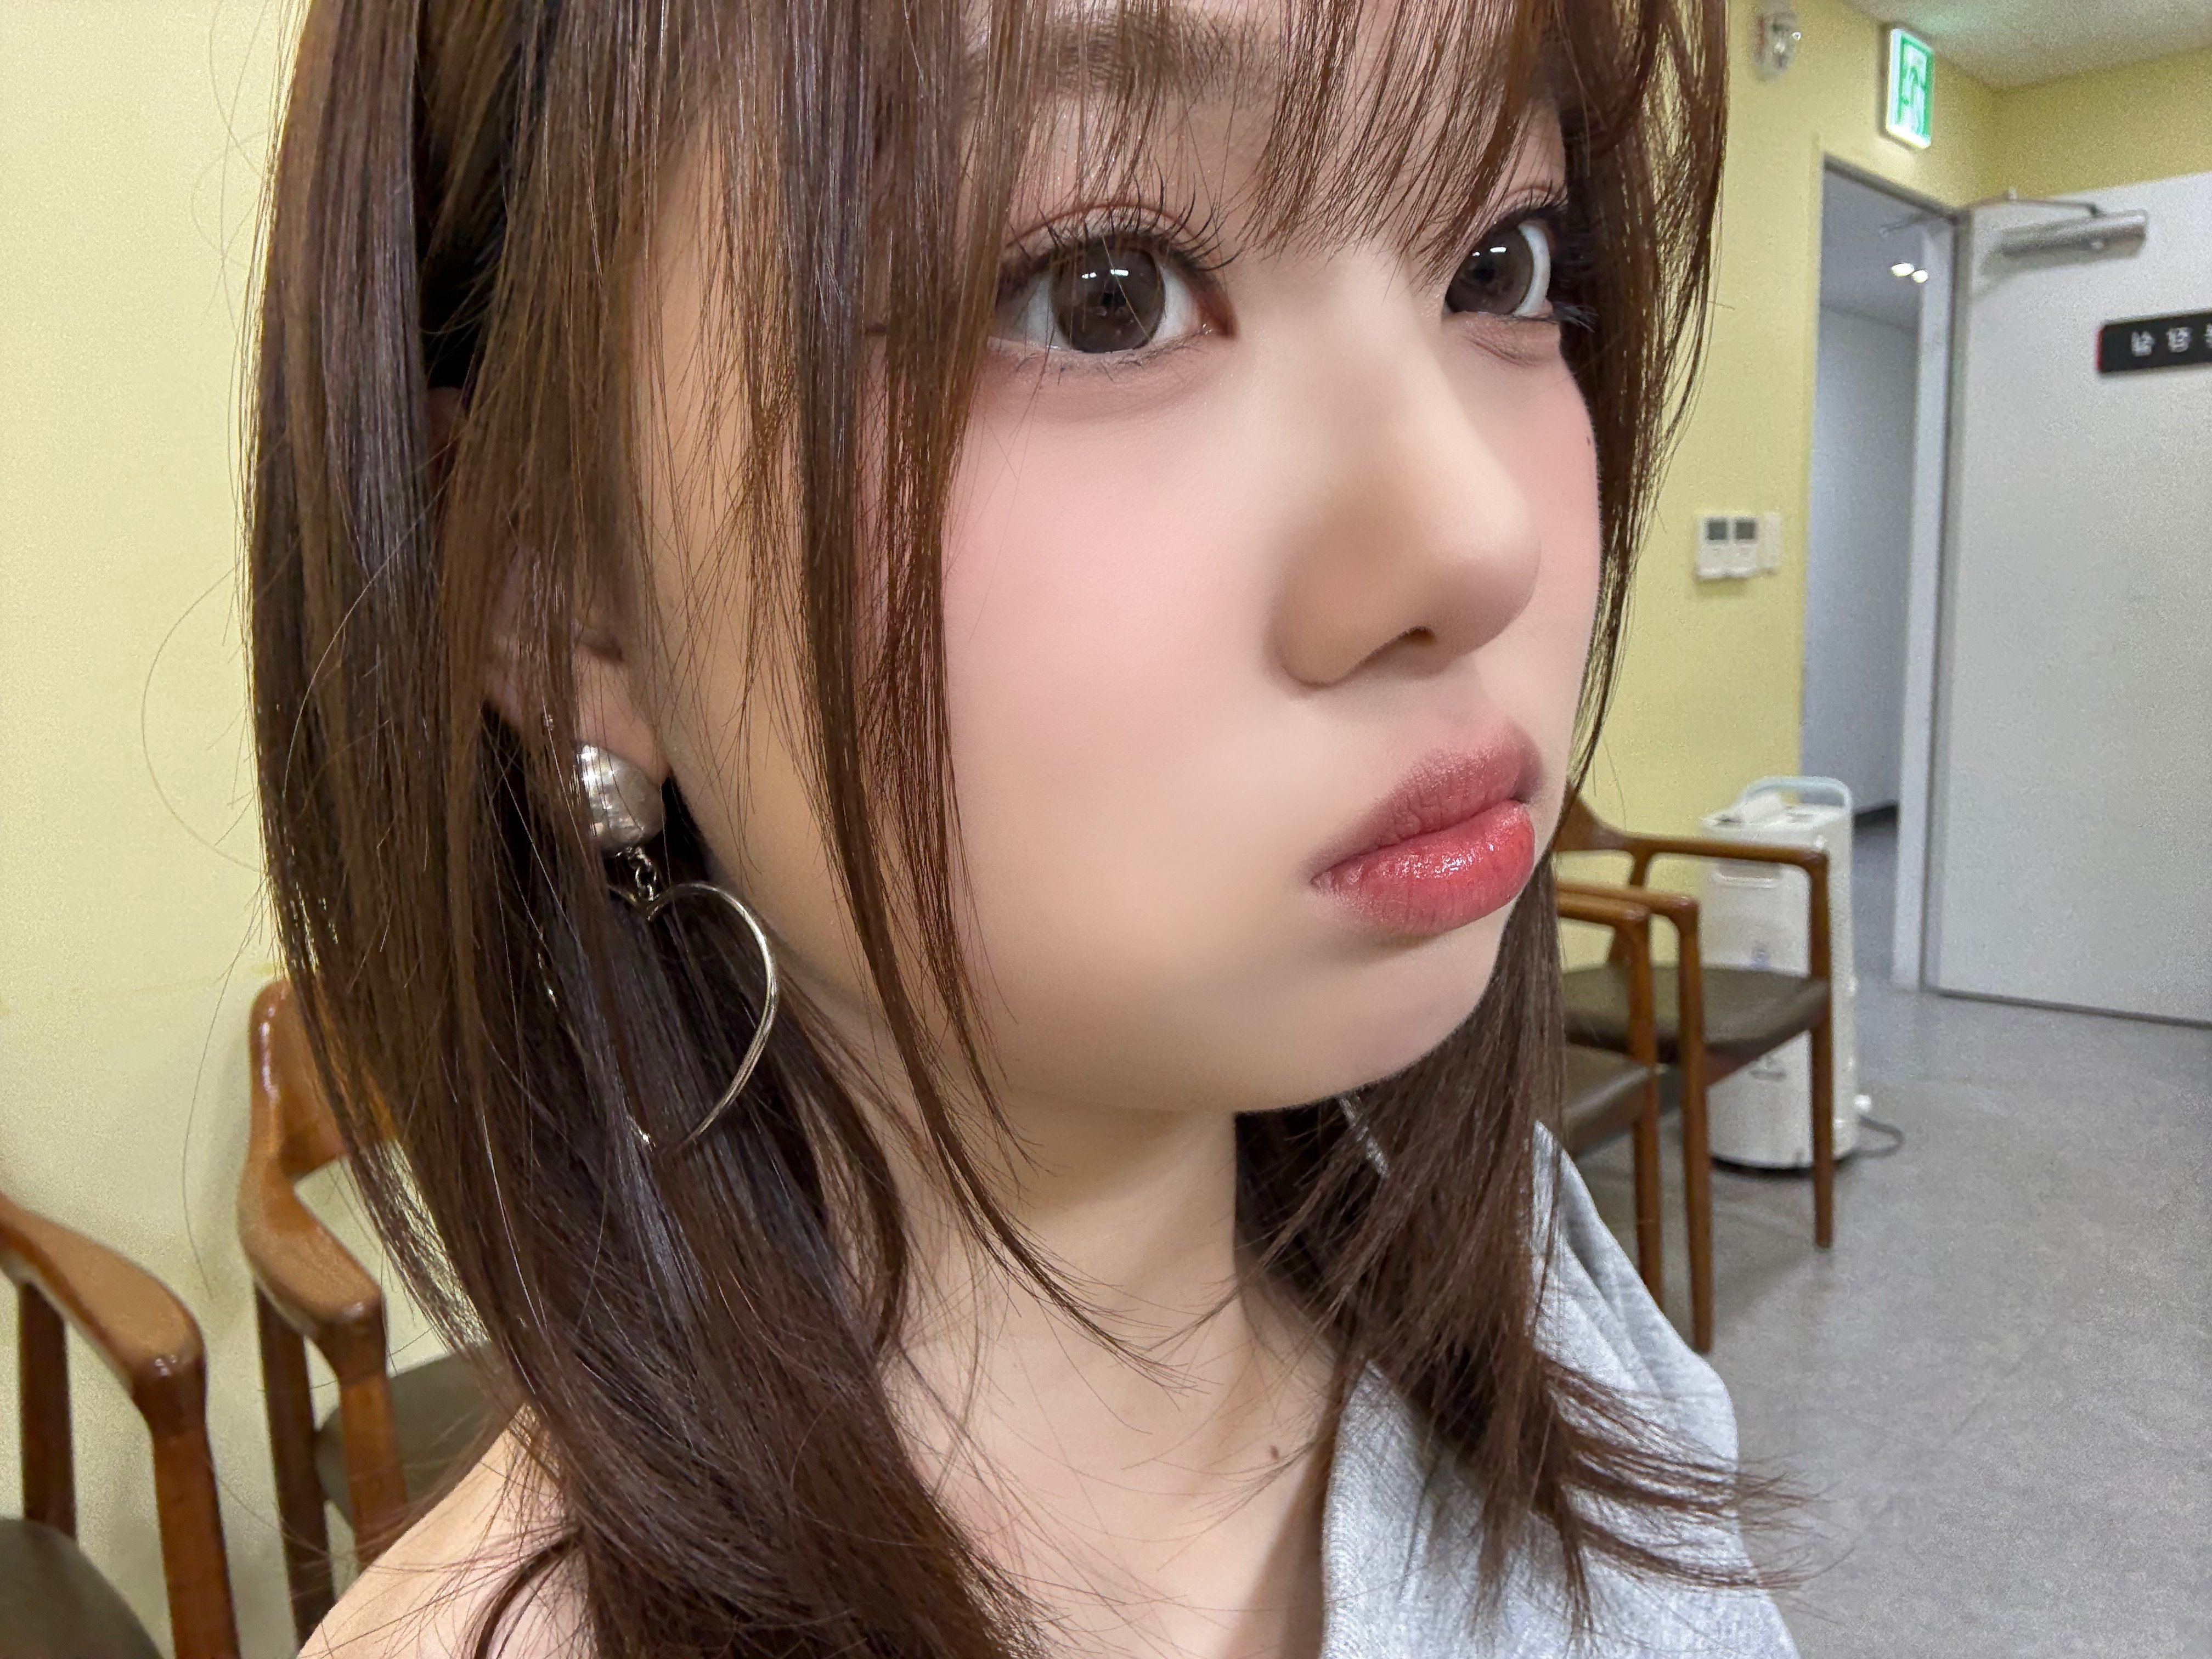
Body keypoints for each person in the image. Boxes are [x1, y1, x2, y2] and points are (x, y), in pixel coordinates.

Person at [253, 0, 1794, 1653]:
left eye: (1503, 265)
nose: (1477, 541)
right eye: (1103, 294)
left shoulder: (1546, 1290)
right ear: (559, 586)